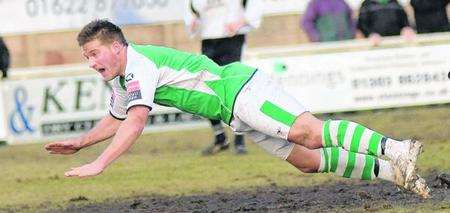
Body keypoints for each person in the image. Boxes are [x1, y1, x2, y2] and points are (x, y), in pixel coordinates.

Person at [45, 20, 430, 198]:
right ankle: (393, 173)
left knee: (308, 133)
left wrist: (101, 163)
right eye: (86, 57)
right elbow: (116, 117)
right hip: (235, 110)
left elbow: (135, 120)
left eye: (94, 53)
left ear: (116, 47)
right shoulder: (122, 78)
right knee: (307, 161)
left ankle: (397, 148)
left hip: (240, 87)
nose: (91, 62)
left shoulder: (139, 64)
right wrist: (82, 144)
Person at [184, 0, 263, 155]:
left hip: (232, 39)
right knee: (205, 87)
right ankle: (220, 137)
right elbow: (191, 13)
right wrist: (192, 23)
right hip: (208, 40)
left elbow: (254, 11)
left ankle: (239, 139)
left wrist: (241, 22)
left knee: (233, 89)